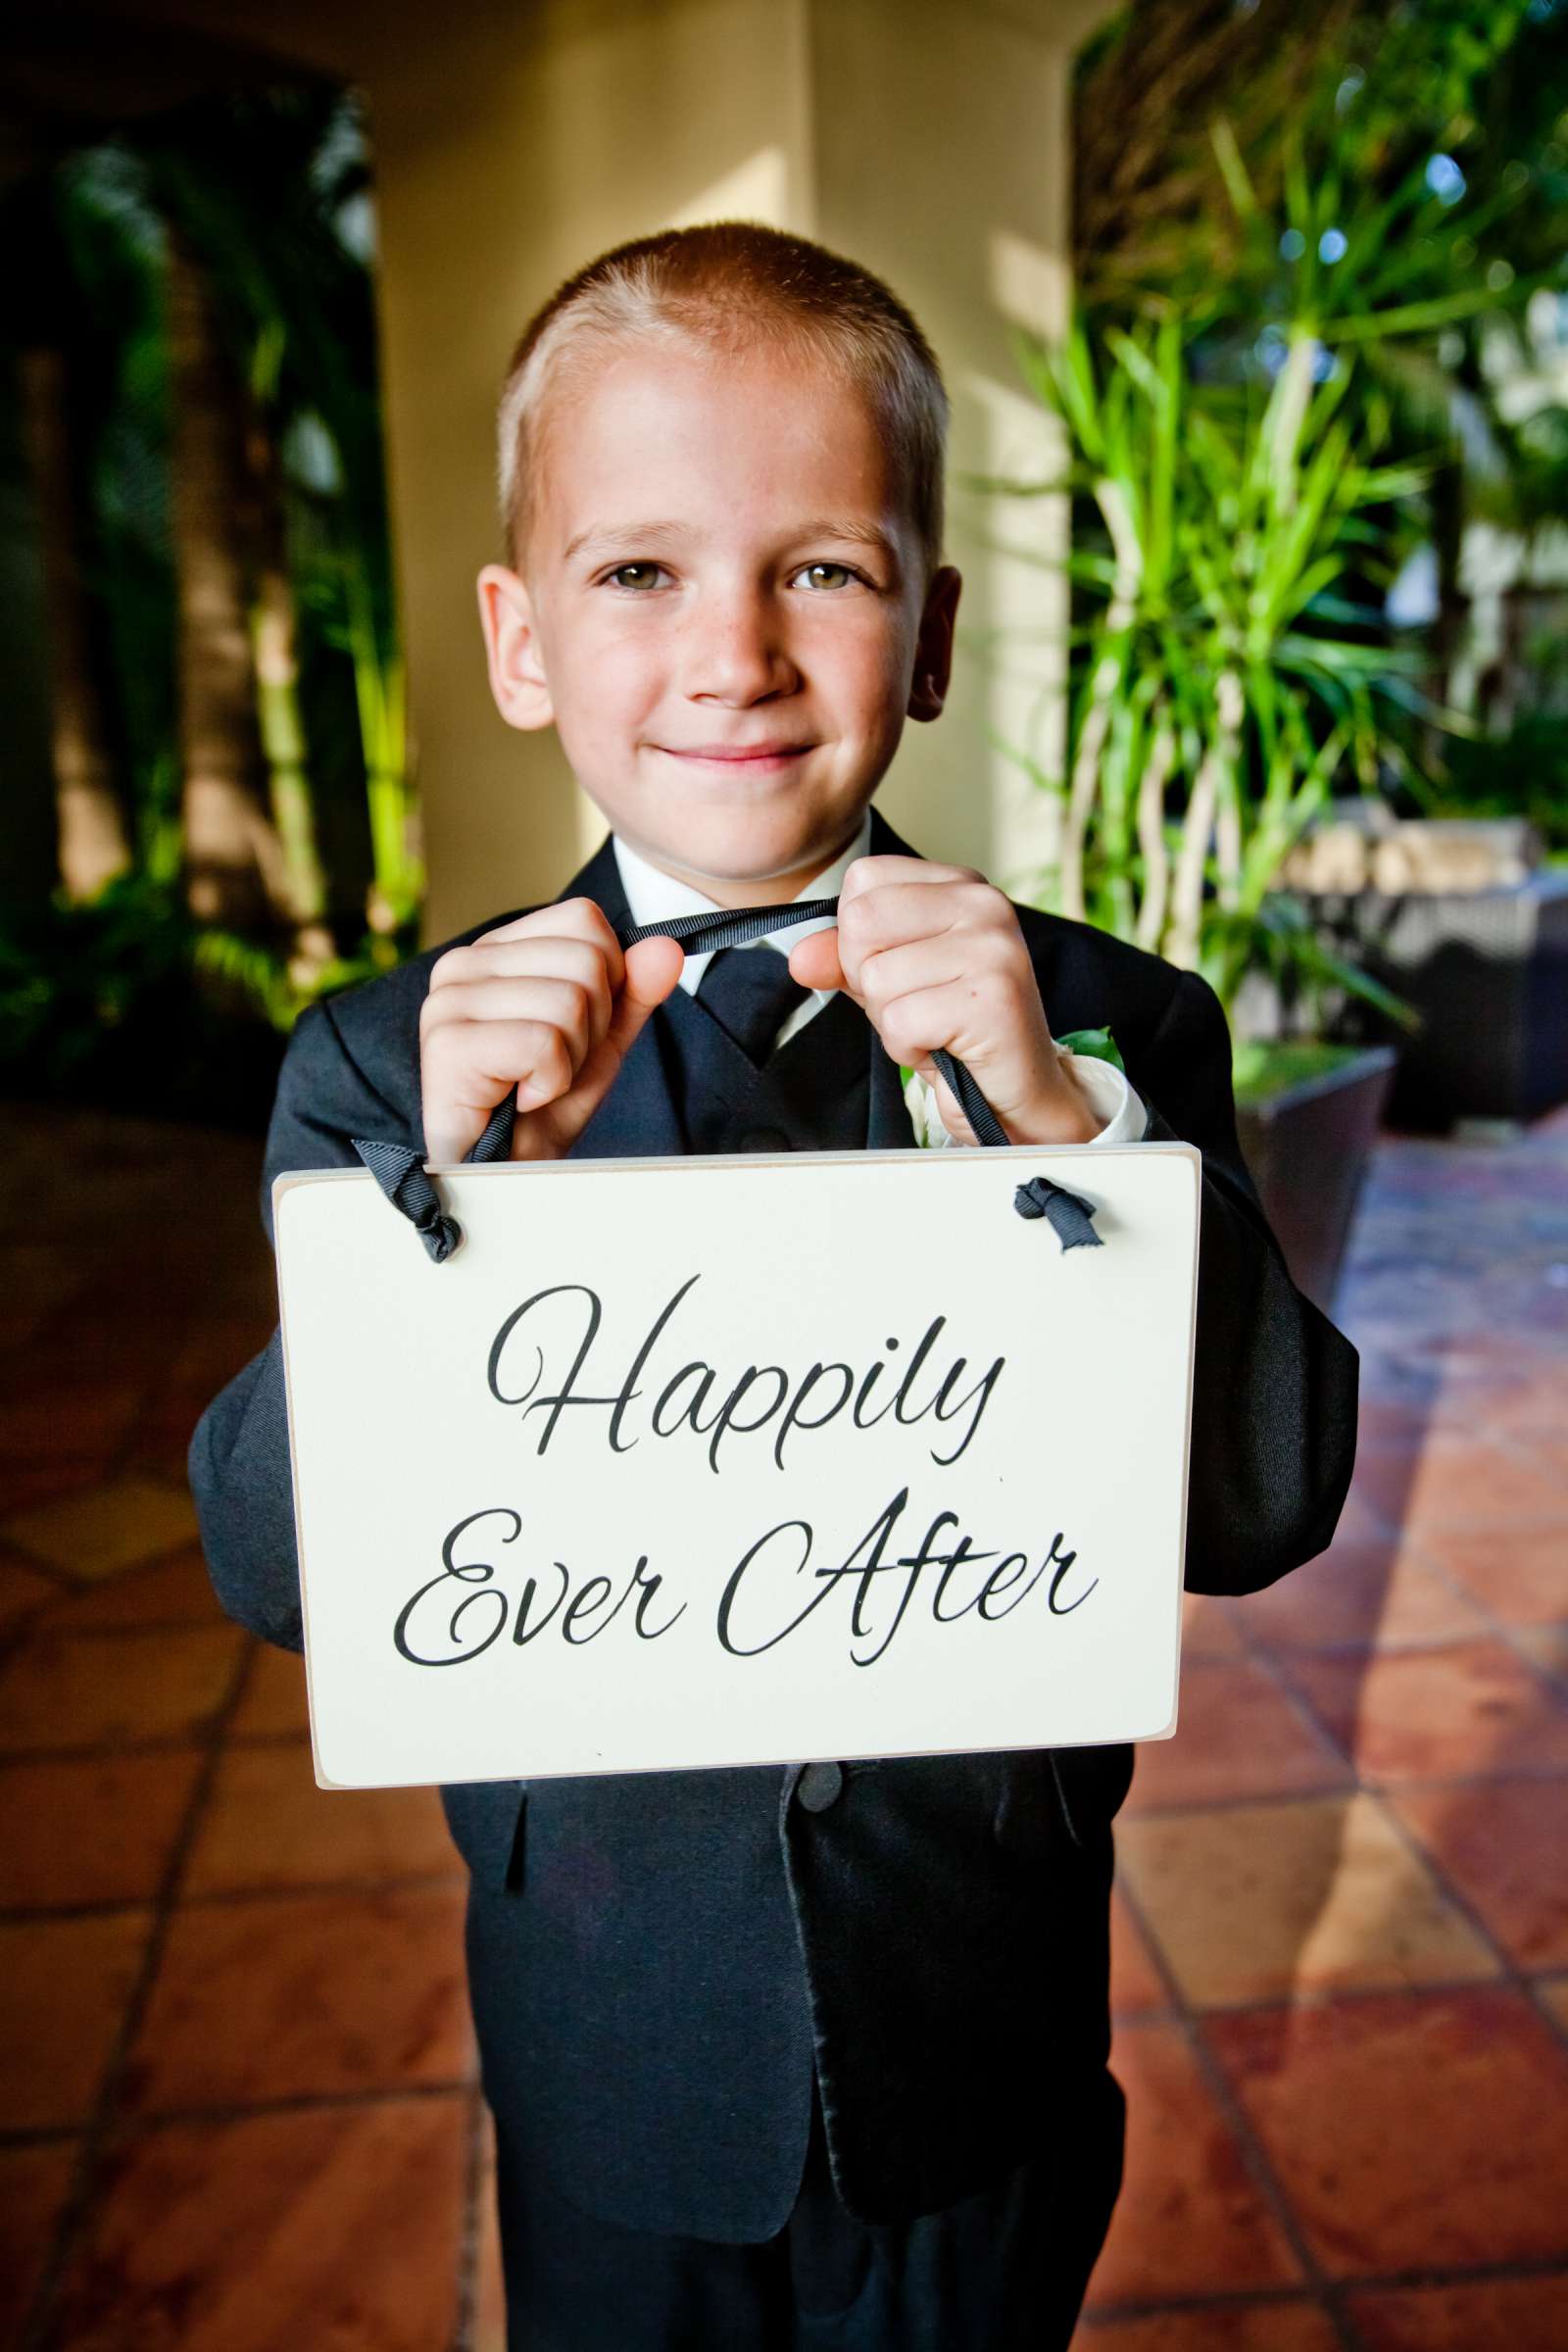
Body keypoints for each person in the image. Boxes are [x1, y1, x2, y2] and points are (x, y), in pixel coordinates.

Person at [190, 221, 1358, 2350]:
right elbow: (279, 1570)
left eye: (816, 568)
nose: (730, 651)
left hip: (973, 2010)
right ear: (520, 636)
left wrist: (1057, 1134)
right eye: (637, 571)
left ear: (922, 634)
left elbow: (1262, 1502)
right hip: (614, 2037)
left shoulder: (1106, 1028)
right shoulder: (383, 1069)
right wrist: (446, 1216)